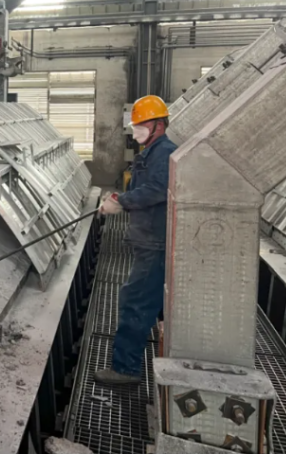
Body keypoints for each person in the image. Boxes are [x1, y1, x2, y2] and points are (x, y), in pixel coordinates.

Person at [94, 95, 178, 385]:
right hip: (151, 238)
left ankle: (125, 369)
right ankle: (165, 352)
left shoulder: (164, 152)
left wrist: (122, 202)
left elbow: (156, 189)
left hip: (155, 242)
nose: (136, 131)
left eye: (141, 125)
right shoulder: (152, 152)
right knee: (153, 302)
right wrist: (120, 199)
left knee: (135, 301)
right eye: (135, 126)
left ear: (158, 125)